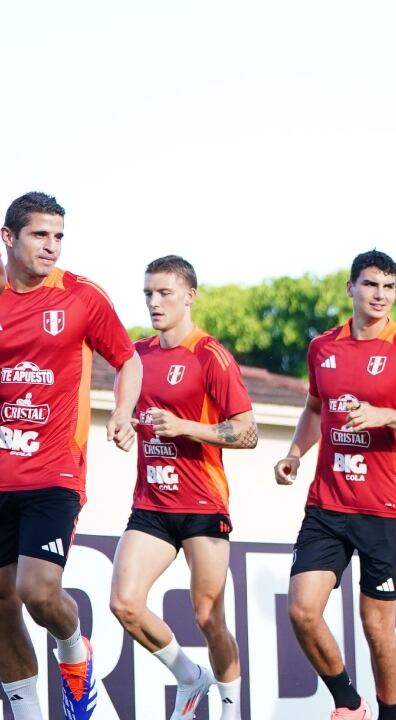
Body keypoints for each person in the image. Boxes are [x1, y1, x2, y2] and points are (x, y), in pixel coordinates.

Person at [275, 250, 396, 720]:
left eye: (389, 287)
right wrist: (295, 453)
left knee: (376, 627)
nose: (380, 295)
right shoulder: (322, 347)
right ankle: (350, 704)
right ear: (351, 288)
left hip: (383, 510)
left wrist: (386, 415)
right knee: (302, 609)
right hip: (327, 505)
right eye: (371, 284)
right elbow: (315, 407)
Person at [0, 192, 142, 720]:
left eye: (58, 236)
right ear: (8, 237)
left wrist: (123, 411)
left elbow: (128, 360)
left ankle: (74, 651)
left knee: (37, 591)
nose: (52, 246)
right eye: (40, 235)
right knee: (1, 603)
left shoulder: (81, 296)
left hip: (55, 470)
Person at [107, 256, 257, 720]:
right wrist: (123, 425)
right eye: (148, 294)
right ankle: (189, 676)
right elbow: (127, 408)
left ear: (189, 296)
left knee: (209, 618)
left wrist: (185, 427)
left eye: (164, 293)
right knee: (124, 603)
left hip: (203, 506)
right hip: (151, 504)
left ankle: (230, 711)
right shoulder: (136, 356)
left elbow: (247, 432)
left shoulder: (210, 355)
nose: (154, 302)